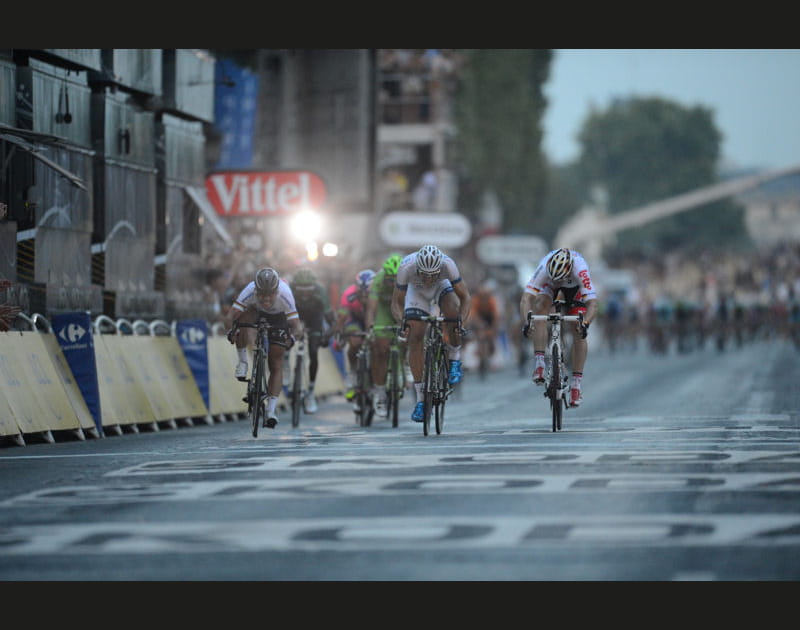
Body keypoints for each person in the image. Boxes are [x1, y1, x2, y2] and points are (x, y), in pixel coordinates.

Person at [391, 244, 471, 422]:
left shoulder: (448, 265)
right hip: (416, 292)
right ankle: (420, 400)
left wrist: (460, 323)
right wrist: (401, 322)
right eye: (424, 274)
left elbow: (465, 298)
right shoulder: (406, 267)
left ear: (439, 269)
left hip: (441, 287)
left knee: (452, 311)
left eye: (432, 274)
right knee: (415, 336)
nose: (428, 279)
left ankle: (454, 358)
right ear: (417, 268)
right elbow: (396, 302)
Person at [224, 267, 303, 429]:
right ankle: (243, 361)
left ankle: (271, 410)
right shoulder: (249, 290)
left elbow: (297, 327)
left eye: (270, 294)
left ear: (277, 290)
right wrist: (231, 332)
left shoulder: (285, 294)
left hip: (279, 317)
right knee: (242, 319)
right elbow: (230, 316)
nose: (266, 298)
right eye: (262, 294)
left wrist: (292, 338)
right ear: (256, 289)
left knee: (276, 363)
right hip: (256, 312)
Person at [519, 247, 598, 408]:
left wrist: (585, 324)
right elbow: (526, 299)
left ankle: (576, 385)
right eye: (554, 278)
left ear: (568, 270)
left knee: (578, 328)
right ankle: (540, 364)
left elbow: (593, 304)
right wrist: (528, 322)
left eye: (559, 278)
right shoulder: (544, 267)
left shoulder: (580, 269)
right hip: (548, 289)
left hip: (574, 290)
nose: (557, 281)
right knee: (540, 306)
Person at [289, 267, 336, 414]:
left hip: (314, 317)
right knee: (283, 337)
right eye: (300, 290)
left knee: (314, 351)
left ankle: (310, 392)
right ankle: (285, 361)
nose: (304, 294)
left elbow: (330, 319)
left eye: (307, 290)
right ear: (295, 286)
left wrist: (327, 335)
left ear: (313, 287)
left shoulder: (320, 292)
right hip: (295, 315)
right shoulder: (289, 290)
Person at [364, 253, 405, 418]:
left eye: (396, 279)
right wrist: (370, 329)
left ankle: (405, 366)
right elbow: (371, 309)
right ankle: (380, 392)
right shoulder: (379, 280)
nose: (393, 282)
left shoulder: (408, 279)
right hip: (383, 311)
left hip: (401, 308)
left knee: (410, 335)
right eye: (390, 278)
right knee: (380, 349)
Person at [331, 268, 376, 410]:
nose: (364, 297)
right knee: (355, 341)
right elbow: (342, 317)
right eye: (361, 294)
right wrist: (338, 336)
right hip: (354, 320)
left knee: (378, 344)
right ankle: (352, 373)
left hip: (374, 319)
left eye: (367, 294)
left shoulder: (377, 295)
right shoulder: (348, 294)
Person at [469, 278, 501, 378]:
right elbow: (473, 315)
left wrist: (494, 330)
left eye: (485, 297)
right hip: (480, 318)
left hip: (489, 319)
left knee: (490, 336)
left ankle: (491, 348)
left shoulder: (492, 301)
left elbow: (495, 317)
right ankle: (481, 356)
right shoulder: (475, 300)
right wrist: (478, 325)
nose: (484, 299)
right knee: (480, 335)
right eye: (482, 296)